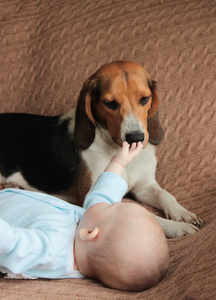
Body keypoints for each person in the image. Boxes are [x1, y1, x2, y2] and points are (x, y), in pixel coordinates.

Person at [0, 142, 169, 291]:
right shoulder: (87, 229)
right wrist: (119, 163)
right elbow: (106, 193)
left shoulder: (53, 249)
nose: (110, 202)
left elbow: (12, 244)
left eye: (111, 207)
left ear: (91, 233)